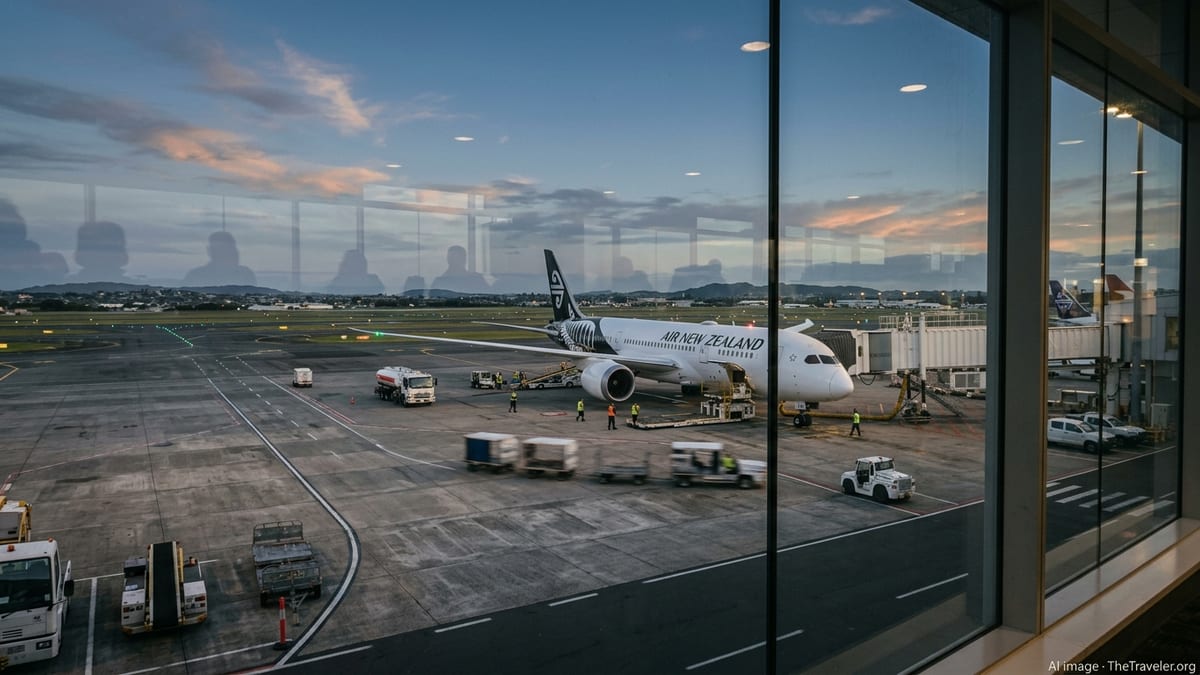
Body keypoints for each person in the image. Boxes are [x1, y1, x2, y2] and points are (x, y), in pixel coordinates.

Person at [183, 231, 257, 288]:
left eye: (231, 249)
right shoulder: (196, 275)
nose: (234, 254)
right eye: (222, 249)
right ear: (210, 251)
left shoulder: (245, 274)